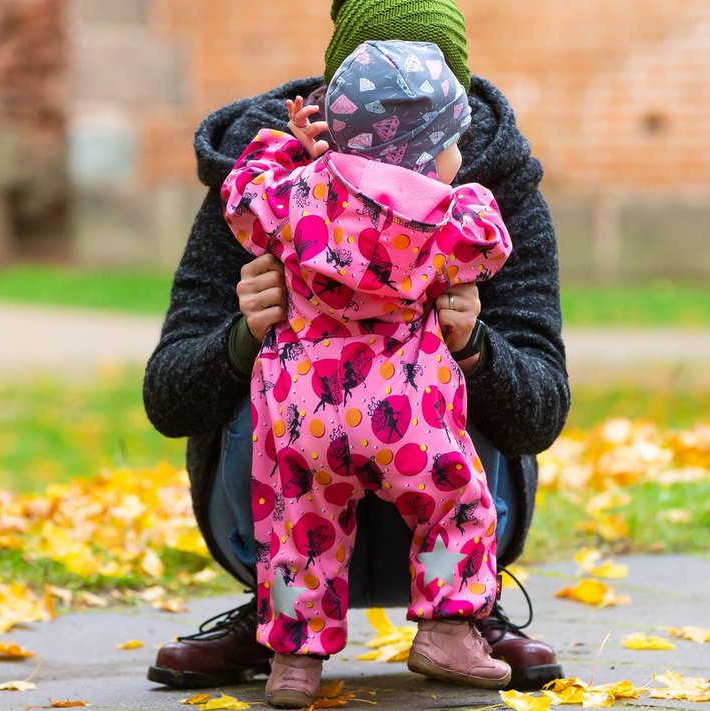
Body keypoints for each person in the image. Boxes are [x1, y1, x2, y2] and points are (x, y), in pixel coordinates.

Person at [143, 0, 570, 693]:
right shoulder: (279, 190)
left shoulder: (490, 180)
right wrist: (243, 333)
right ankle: (276, 622)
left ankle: (462, 614)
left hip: (425, 485)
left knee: (450, 400)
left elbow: (542, 413)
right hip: (280, 503)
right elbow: (167, 397)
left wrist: (473, 343)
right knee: (272, 387)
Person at [222, 40, 514, 706]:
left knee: (298, 529)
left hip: (304, 408)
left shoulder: (294, 198)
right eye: (452, 144)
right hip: (407, 411)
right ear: (422, 148)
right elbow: (489, 241)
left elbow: (241, 198)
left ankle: (293, 660)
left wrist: (289, 147)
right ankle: (446, 626)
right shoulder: (442, 215)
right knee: (455, 505)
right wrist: (458, 190)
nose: (457, 159)